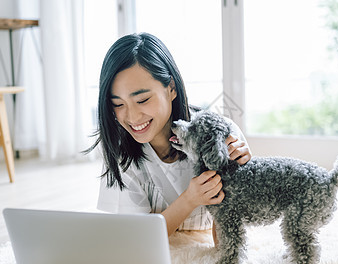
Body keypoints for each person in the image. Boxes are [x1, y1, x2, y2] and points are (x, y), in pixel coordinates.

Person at [88, 32, 251, 244]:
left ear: (171, 89)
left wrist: (242, 171)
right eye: (118, 104)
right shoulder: (122, 154)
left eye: (143, 99)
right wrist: (189, 200)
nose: (132, 117)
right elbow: (137, 240)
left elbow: (231, 235)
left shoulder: (219, 135)